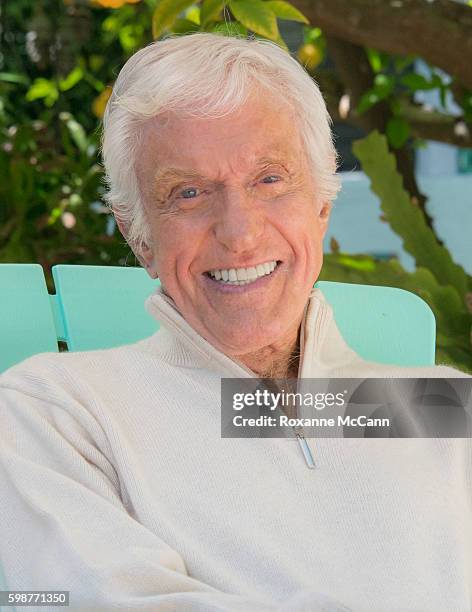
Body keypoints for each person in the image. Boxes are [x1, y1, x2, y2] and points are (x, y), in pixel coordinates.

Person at [0, 33, 471, 612]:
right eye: (189, 193)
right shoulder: (58, 412)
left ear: (321, 205)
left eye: (269, 179)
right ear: (137, 233)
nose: (240, 233)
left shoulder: (441, 407)